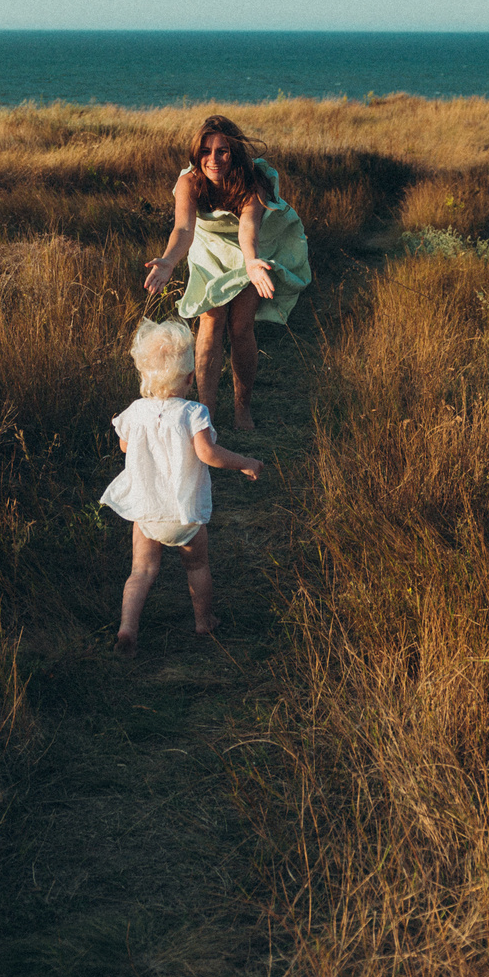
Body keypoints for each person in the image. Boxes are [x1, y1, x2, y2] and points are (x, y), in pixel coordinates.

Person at [103, 319, 263, 656]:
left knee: (141, 571)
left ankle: (128, 627)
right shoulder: (194, 412)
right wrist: (245, 462)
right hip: (185, 515)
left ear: (143, 375)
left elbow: (125, 447)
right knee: (197, 567)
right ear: (190, 377)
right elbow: (208, 453)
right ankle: (204, 620)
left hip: (146, 512)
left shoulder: (136, 411)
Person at [142, 115, 311, 430]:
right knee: (211, 320)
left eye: (222, 151)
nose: (213, 159)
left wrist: (250, 261)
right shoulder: (189, 182)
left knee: (240, 326)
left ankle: (241, 408)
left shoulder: (253, 181)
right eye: (206, 151)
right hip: (207, 248)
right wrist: (167, 261)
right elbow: (183, 229)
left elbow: (248, 227)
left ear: (234, 152)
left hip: (248, 250)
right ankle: (206, 414)